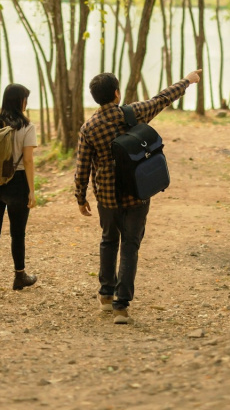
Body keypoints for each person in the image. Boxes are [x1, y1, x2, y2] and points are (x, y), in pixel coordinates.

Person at [74, 69, 202, 324]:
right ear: (117, 93)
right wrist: (188, 81)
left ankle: (106, 295)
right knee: (130, 246)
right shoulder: (132, 113)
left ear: (95, 98)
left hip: (107, 198)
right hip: (137, 194)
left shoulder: (89, 128)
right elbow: (162, 98)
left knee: (108, 241)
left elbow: (82, 167)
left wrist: (80, 197)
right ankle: (122, 306)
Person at [0, 84, 38, 297]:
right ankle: (19, 276)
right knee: (17, 233)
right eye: (25, 99)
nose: (26, 104)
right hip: (17, 183)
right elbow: (28, 160)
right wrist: (31, 190)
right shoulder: (27, 127)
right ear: (20, 101)